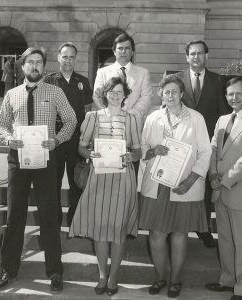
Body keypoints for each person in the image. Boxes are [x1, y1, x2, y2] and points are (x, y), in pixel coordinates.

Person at [0, 47, 77, 293]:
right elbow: (1, 124)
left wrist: (58, 140)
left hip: (45, 160)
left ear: (44, 66)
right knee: (14, 217)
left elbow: (71, 119)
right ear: (22, 66)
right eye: (30, 62)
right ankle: (8, 269)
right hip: (18, 160)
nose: (34, 66)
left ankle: (55, 272)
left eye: (39, 62)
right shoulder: (12, 94)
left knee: (49, 217)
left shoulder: (55, 91)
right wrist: (9, 139)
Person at [139, 75, 211, 298]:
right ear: (161, 94)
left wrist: (191, 180)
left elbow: (206, 152)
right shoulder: (153, 118)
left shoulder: (196, 118)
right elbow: (143, 148)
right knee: (156, 235)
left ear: (181, 94)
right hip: (157, 183)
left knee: (180, 233)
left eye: (174, 92)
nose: (170, 95)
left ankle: (175, 280)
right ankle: (160, 277)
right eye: (166, 92)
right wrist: (152, 151)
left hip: (184, 184)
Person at [69, 77, 141, 296]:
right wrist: (89, 153)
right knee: (100, 229)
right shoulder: (92, 117)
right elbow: (81, 148)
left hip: (122, 179)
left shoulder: (132, 119)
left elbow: (138, 151)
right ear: (105, 93)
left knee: (118, 230)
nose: (116, 95)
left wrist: (131, 156)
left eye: (120, 91)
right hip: (99, 177)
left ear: (125, 94)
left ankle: (114, 276)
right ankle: (102, 275)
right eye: (112, 91)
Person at [205, 77, 242, 300]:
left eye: (239, 93)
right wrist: (212, 175)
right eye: (230, 94)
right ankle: (227, 280)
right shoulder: (222, 120)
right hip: (219, 190)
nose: (234, 98)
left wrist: (222, 180)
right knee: (225, 239)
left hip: (239, 191)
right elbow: (213, 151)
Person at [176, 40, 231, 248]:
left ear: (206, 56)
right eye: (192, 53)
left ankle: (204, 228)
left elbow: (223, 115)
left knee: (206, 188)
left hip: (208, 143)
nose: (196, 57)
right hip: (181, 144)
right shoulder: (176, 79)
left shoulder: (218, 81)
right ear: (187, 57)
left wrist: (218, 144)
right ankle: (180, 224)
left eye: (200, 53)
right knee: (180, 181)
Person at [44, 42, 93, 227]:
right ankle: (53, 222)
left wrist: (88, 139)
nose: (68, 60)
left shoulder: (83, 81)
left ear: (75, 59)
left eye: (72, 57)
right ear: (58, 57)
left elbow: (88, 113)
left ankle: (75, 221)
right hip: (54, 139)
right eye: (65, 56)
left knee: (76, 183)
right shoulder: (48, 80)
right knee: (53, 182)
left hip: (76, 140)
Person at [93, 33, 152, 176]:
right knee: (106, 172)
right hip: (108, 129)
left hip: (132, 129)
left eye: (127, 48)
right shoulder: (103, 72)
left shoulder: (143, 73)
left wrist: (129, 116)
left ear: (132, 51)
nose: (123, 51)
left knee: (130, 172)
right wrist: (112, 115)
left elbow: (146, 98)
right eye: (120, 48)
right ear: (114, 51)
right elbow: (97, 96)